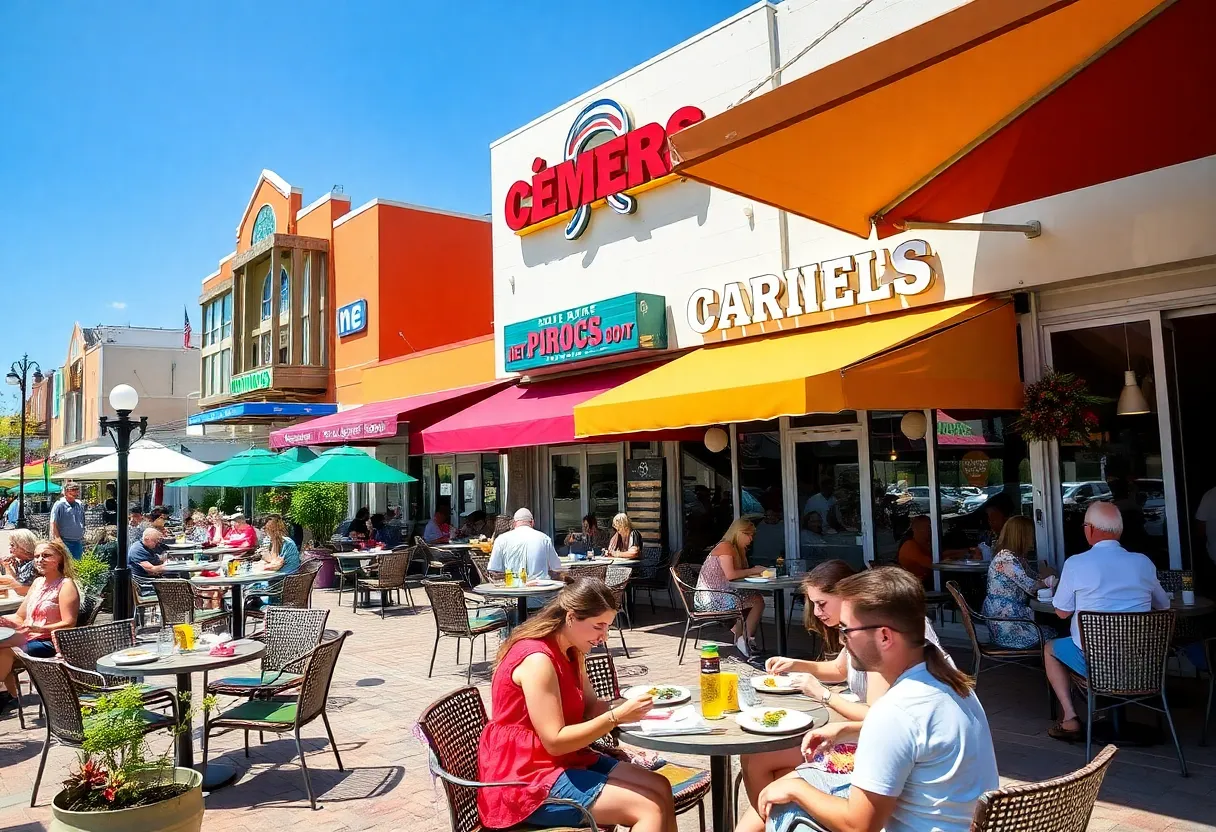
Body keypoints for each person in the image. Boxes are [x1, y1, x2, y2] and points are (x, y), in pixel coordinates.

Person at [750, 567, 997, 832]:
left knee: (783, 801)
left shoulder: (895, 711)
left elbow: (859, 826)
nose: (843, 639)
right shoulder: (952, 683)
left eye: (847, 630)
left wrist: (796, 789)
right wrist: (847, 731)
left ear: (884, 636)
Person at [478, 578, 676, 832]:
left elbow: (592, 706)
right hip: (525, 779)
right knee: (647, 808)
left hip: (560, 761)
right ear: (571, 618)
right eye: (598, 626)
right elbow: (555, 741)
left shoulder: (571, 651)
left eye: (608, 627)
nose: (603, 637)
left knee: (661, 787)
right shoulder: (538, 660)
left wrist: (644, 710)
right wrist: (616, 717)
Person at [1045, 501, 1170, 741]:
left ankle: (1070, 717)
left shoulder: (1076, 563)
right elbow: (1163, 606)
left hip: (1096, 665)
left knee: (1050, 649)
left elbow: (1061, 612)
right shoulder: (1143, 562)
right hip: (1143, 664)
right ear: (1119, 531)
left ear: (1089, 529)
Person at [0, 540, 81, 715]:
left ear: (59, 559)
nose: (39, 560)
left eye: (46, 555)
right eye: (36, 556)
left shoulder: (65, 585)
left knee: (4, 650)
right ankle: (12, 697)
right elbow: (20, 617)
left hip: (50, 642)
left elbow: (69, 623)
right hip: (29, 637)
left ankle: (11, 697)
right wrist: (4, 620)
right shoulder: (38, 583)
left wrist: (39, 628)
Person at [981, 515, 1058, 649]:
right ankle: (1051, 665)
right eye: (1030, 534)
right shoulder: (1006, 558)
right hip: (1007, 624)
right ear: (1022, 536)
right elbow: (1031, 586)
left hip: (1010, 618)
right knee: (1055, 631)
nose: (1032, 539)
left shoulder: (1015, 557)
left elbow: (1033, 577)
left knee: (1053, 627)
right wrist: (1049, 580)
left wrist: (1044, 577)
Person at [694, 518, 766, 657]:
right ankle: (744, 640)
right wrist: (753, 571)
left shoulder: (736, 549)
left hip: (721, 593)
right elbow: (731, 575)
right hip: (711, 597)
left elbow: (736, 575)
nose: (751, 539)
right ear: (739, 533)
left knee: (751, 598)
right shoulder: (726, 546)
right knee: (757, 600)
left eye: (752, 535)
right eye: (748, 535)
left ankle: (742, 642)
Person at [488, 508, 562, 583]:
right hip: (539, 589)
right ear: (532, 523)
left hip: (513, 588)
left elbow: (494, 570)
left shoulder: (501, 539)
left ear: (514, 523)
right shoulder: (544, 539)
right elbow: (556, 567)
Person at [49, 480, 86, 559]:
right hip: (65, 542)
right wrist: (58, 541)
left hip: (78, 542)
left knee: (77, 567)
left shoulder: (79, 504)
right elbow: (53, 524)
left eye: (77, 490)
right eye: (72, 490)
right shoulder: (59, 504)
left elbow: (82, 520)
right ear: (66, 492)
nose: (75, 493)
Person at [0, 529, 39, 597]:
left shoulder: (35, 563)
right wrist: (8, 566)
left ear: (24, 546)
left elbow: (20, 590)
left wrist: (7, 567)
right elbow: (17, 582)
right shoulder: (23, 562)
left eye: (12, 545)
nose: (9, 548)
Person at [897, 515, 934, 582]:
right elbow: (931, 563)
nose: (930, 531)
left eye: (931, 527)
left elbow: (941, 554)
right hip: (916, 585)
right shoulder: (909, 546)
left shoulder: (928, 544)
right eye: (927, 527)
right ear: (915, 529)